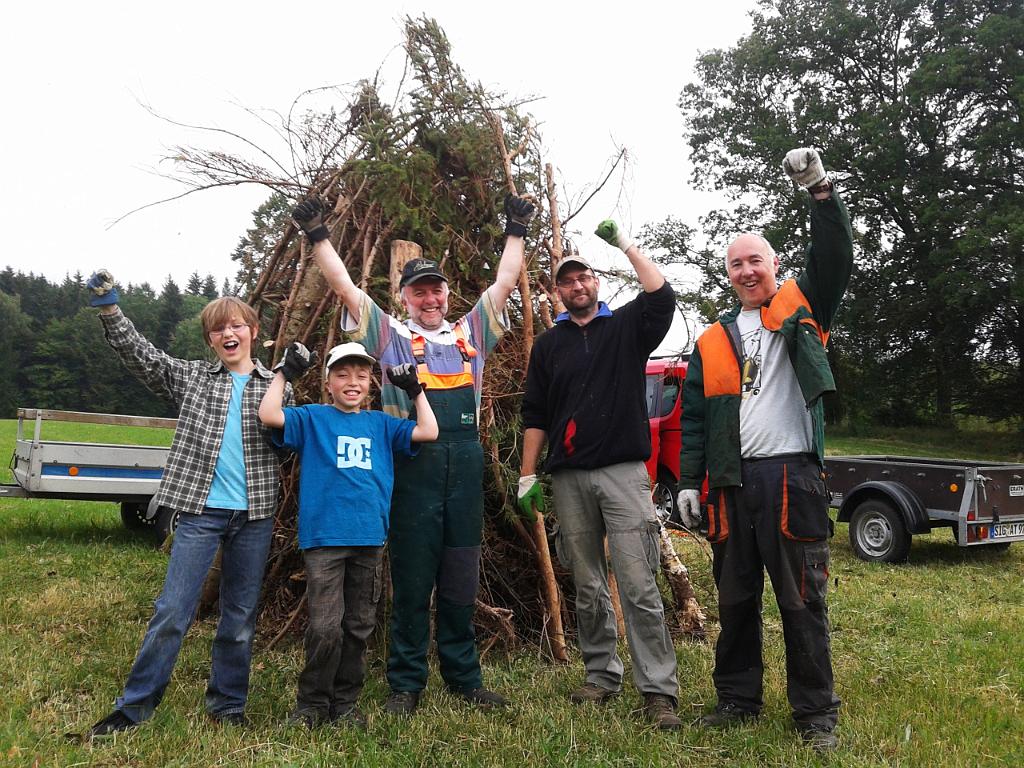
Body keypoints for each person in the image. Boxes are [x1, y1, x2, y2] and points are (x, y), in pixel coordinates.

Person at [290, 192, 535, 714]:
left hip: (466, 466)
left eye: (436, 291)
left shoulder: (471, 332)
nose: (430, 299)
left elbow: (506, 282)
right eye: (419, 291)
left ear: (447, 296)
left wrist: (515, 228)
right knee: (412, 578)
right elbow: (345, 288)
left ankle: (464, 678)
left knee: (460, 576)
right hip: (413, 467)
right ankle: (406, 684)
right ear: (404, 297)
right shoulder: (389, 336)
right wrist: (318, 235)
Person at [676, 148, 852, 753]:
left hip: (792, 480)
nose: (746, 271)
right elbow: (694, 419)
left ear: (773, 264)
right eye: (735, 265)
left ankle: (815, 713)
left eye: (755, 260)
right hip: (730, 483)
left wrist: (820, 191)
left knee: (802, 599)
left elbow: (835, 257)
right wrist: (685, 483)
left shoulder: (803, 307)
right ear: (726, 275)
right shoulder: (712, 337)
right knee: (735, 597)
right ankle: (737, 699)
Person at [84, 271, 290, 737]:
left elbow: (285, 445)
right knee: (173, 612)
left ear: (253, 332)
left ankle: (228, 706)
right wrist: (110, 310)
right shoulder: (192, 377)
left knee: (239, 618)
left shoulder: (274, 385)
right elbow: (142, 357)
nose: (228, 334)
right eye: (218, 329)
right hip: (200, 512)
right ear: (211, 339)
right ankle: (134, 707)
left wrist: (287, 383)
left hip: (254, 515)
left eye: (236, 325)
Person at [516, 221, 681, 730]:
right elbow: (536, 413)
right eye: (566, 281)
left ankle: (657, 692)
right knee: (587, 584)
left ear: (595, 283)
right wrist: (527, 476)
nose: (576, 286)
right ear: (557, 292)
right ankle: (601, 674)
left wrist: (627, 244)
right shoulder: (549, 346)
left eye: (583, 276)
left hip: (623, 474)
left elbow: (663, 297)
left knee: (637, 583)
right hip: (568, 480)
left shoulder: (627, 328)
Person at [259, 341, 439, 728]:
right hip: (323, 540)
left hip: (369, 539)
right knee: (325, 628)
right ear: (328, 384)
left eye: (360, 375)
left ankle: (345, 705)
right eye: (342, 375)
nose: (352, 382)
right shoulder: (312, 419)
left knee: (358, 626)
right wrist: (284, 373)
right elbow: (270, 414)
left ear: (372, 384)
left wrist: (414, 390)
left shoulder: (381, 424)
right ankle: (310, 705)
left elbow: (428, 430)